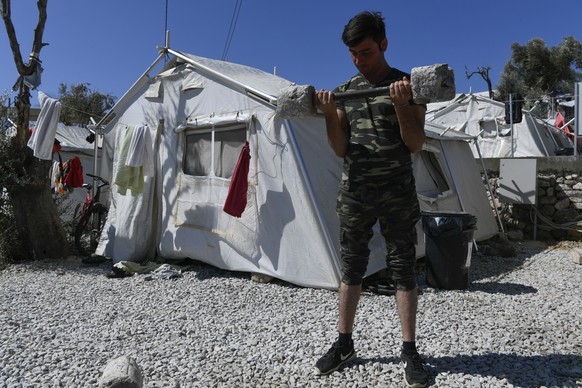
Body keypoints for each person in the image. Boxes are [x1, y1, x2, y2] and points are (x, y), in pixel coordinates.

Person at [313, 11, 429, 387]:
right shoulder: (346, 90)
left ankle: (410, 351)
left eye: (365, 51)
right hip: (356, 192)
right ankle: (345, 343)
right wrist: (331, 114)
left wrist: (400, 105)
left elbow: (415, 144)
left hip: (397, 192)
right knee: (351, 266)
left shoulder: (408, 86)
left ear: (383, 44)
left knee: (403, 267)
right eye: (353, 54)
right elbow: (340, 148)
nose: (359, 60)